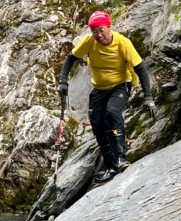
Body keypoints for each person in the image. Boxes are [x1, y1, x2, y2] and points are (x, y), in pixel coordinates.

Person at [58, 10, 156, 183]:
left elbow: (140, 68)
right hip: (99, 88)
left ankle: (121, 158)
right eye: (94, 31)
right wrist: (63, 81)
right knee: (97, 123)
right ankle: (111, 167)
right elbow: (70, 58)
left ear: (109, 27)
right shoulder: (89, 42)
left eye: (101, 29)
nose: (98, 34)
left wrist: (149, 98)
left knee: (112, 111)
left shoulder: (122, 43)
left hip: (121, 85)